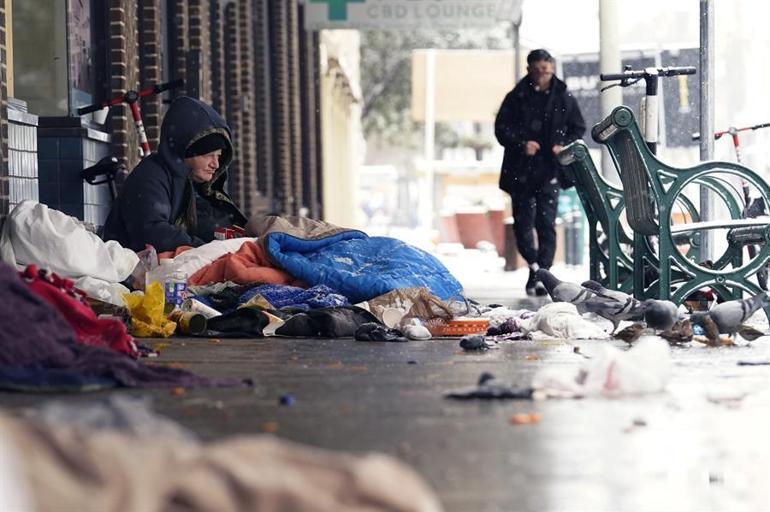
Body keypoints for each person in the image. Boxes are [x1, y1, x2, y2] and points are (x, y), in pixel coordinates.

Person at [103, 96, 247, 253]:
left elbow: (209, 223)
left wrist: (245, 234)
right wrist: (204, 250)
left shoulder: (192, 184)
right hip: (129, 271)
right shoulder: (150, 177)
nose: (216, 164)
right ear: (187, 151)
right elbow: (152, 232)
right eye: (208, 155)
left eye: (218, 156)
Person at [494, 49, 586, 296]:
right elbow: (501, 129)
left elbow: (579, 128)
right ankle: (534, 266)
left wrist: (563, 144)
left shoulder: (564, 97)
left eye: (546, 70)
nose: (542, 75)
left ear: (552, 69)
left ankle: (542, 272)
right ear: (529, 70)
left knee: (546, 223)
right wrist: (521, 143)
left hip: (550, 170)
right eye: (537, 70)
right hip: (520, 171)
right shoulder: (516, 97)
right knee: (522, 224)